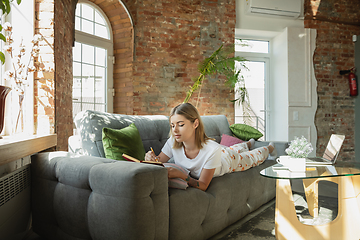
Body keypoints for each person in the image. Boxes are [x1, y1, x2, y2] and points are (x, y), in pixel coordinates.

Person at [145, 103, 277, 191]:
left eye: (180, 124)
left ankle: (269, 148)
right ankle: (247, 143)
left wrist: (181, 175)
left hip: (227, 161)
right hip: (222, 152)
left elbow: (202, 185)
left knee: (250, 158)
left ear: (195, 123)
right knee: (231, 149)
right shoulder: (173, 142)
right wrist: (150, 158)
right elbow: (158, 161)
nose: (175, 130)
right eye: (172, 125)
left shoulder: (212, 149)